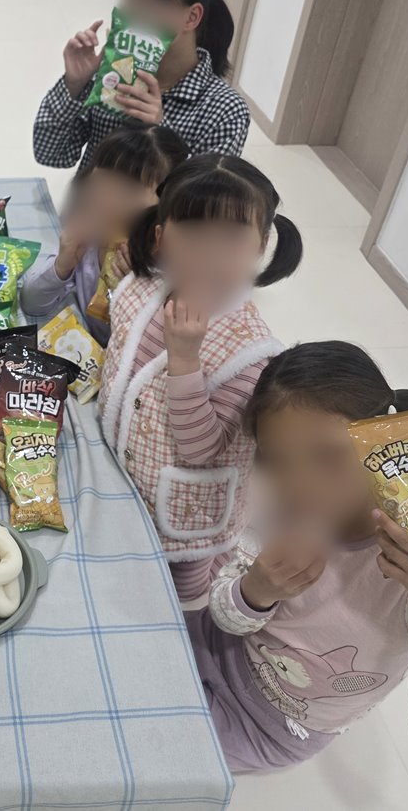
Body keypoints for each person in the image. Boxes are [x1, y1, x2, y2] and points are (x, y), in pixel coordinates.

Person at [188, 341, 408, 772]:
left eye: (327, 456)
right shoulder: (282, 515)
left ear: (385, 442)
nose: (299, 485)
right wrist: (255, 590)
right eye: (277, 460)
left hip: (271, 727)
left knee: (151, 745)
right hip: (214, 645)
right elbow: (225, 614)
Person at [99, 153, 301, 602]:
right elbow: (121, 365)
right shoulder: (144, 288)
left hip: (185, 513)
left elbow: (203, 449)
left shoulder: (251, 351)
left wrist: (185, 359)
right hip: (123, 478)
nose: (210, 253)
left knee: (182, 598)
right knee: (124, 578)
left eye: (230, 237)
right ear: (160, 237)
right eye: (192, 232)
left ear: (260, 246)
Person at [34, 0, 249, 171]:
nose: (131, 11)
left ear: (191, 17)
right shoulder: (114, 74)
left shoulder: (225, 109)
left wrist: (161, 135)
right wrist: (74, 85)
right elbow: (50, 154)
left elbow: (204, 193)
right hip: (91, 196)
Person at [18, 122, 189, 345]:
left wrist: (137, 293)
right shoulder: (89, 240)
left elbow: (157, 350)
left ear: (167, 201)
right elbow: (32, 303)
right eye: (103, 179)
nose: (107, 198)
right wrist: (62, 266)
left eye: (129, 189)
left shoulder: (168, 267)